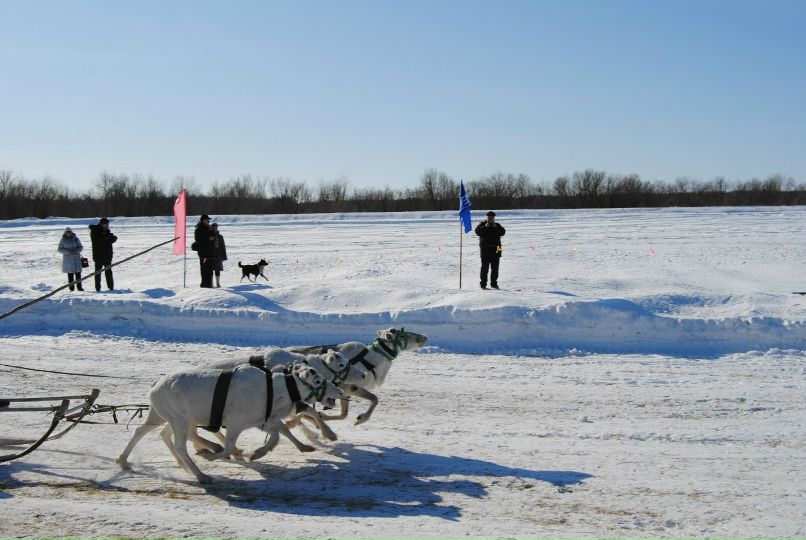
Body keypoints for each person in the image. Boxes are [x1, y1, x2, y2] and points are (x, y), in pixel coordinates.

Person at [474, 210, 505, 289]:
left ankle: (494, 283)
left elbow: (502, 233)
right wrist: (485, 227)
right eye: (489, 217)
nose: (490, 218)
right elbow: (477, 232)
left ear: (494, 218)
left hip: (497, 248)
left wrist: (495, 228)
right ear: (487, 217)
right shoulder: (482, 224)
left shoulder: (497, 225)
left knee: (495, 268)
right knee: (484, 268)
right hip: (485, 249)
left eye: (492, 217)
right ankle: (483, 284)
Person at [88, 217, 117, 291]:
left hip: (107, 255)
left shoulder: (106, 231)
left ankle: (111, 287)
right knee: (98, 272)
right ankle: (98, 288)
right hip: (98, 255)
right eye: (105, 224)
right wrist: (108, 238)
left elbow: (113, 238)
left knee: (108, 272)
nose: (106, 226)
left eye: (107, 224)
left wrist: (109, 238)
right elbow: (100, 241)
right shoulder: (95, 231)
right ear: (101, 224)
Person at [57, 227, 84, 291]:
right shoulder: (62, 240)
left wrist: (76, 251)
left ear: (71, 232)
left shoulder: (76, 239)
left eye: (69, 232)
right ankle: (71, 288)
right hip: (68, 260)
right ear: (65, 233)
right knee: (70, 275)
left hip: (76, 258)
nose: (68, 233)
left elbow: (80, 247)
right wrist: (68, 252)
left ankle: (79, 287)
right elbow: (59, 249)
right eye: (67, 232)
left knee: (78, 274)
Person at [194, 215, 216, 288]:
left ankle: (209, 284)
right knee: (205, 269)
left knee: (210, 269)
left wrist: (212, 231)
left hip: (210, 252)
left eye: (209, 220)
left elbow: (214, 236)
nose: (208, 221)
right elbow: (198, 241)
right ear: (203, 220)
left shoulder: (209, 228)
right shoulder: (199, 229)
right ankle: (204, 285)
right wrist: (208, 239)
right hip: (203, 252)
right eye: (207, 220)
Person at [211, 222, 227, 288]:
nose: (215, 228)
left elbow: (223, 247)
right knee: (210, 270)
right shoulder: (209, 236)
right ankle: (211, 283)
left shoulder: (220, 237)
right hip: (211, 255)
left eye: (216, 227)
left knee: (217, 269)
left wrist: (224, 257)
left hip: (218, 255)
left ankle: (217, 283)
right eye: (213, 227)